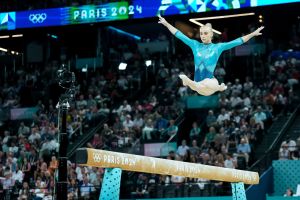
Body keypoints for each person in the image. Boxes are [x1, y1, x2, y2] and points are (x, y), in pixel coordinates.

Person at [158, 15, 264, 96]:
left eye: (205, 33)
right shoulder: (195, 45)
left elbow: (237, 41)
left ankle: (196, 84)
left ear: (211, 34)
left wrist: (253, 34)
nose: (203, 36)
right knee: (200, 85)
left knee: (210, 82)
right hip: (199, 86)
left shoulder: (218, 47)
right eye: (201, 33)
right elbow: (179, 34)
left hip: (210, 84)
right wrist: (166, 23)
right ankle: (192, 83)